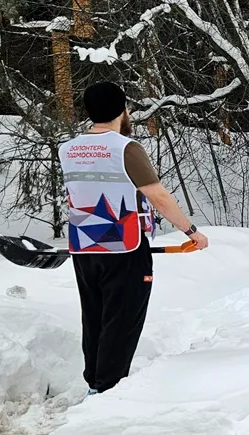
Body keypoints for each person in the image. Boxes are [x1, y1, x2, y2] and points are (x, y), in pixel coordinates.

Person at [59, 82, 209, 395]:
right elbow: (159, 197)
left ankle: (95, 383)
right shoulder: (124, 148)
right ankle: (108, 390)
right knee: (123, 319)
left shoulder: (68, 148)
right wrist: (191, 231)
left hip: (84, 244)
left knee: (95, 317)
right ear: (121, 110)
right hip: (124, 245)